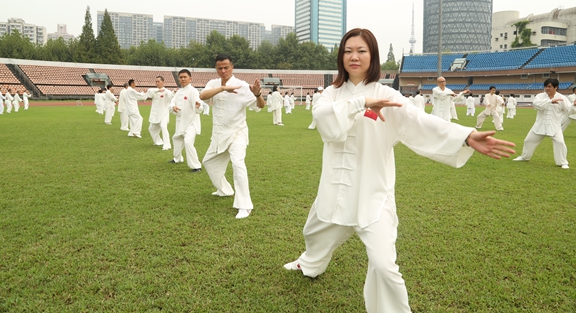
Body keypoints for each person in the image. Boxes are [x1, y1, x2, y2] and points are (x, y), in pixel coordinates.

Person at [283, 28, 515, 313]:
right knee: (315, 233)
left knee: (383, 264)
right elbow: (325, 124)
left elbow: (420, 121)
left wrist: (465, 136)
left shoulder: (388, 95)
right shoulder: (330, 94)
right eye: (348, 51)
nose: (354, 57)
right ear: (340, 57)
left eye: (361, 51)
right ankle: (309, 264)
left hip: (372, 192)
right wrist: (362, 103)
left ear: (373, 56)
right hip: (334, 187)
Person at [199, 54, 265, 219]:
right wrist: (222, 88)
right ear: (216, 69)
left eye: (226, 67)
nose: (223, 71)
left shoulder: (242, 85)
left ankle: (244, 205)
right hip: (219, 134)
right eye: (219, 68)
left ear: (232, 67)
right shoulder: (213, 84)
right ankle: (225, 189)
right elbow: (202, 96)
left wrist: (257, 95)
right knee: (208, 162)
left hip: (237, 133)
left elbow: (260, 106)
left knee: (238, 163)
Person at [513, 78, 571, 169]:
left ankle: (563, 162)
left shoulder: (562, 98)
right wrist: (550, 101)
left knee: (560, 142)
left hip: (554, 125)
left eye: (549, 86)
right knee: (528, 141)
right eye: (545, 86)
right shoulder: (540, 96)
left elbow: (568, 110)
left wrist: (574, 106)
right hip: (540, 124)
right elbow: (536, 104)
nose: (547, 88)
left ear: (556, 87)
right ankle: (525, 157)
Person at [169, 69, 202, 171]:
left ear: (190, 78)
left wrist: (197, 106)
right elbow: (172, 103)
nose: (183, 79)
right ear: (178, 79)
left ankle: (196, 166)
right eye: (181, 77)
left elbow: (199, 108)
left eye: (185, 77)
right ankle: (177, 158)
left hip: (191, 122)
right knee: (176, 139)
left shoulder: (193, 91)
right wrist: (173, 107)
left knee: (188, 142)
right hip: (180, 122)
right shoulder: (179, 92)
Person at [146, 76, 173, 150]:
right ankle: (158, 141)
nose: (157, 83)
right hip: (155, 114)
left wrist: (174, 92)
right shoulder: (154, 90)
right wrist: (157, 91)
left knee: (163, 127)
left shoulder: (167, 91)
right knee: (151, 129)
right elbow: (149, 93)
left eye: (158, 81)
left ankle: (167, 145)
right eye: (156, 81)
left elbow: (171, 96)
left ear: (163, 82)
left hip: (164, 113)